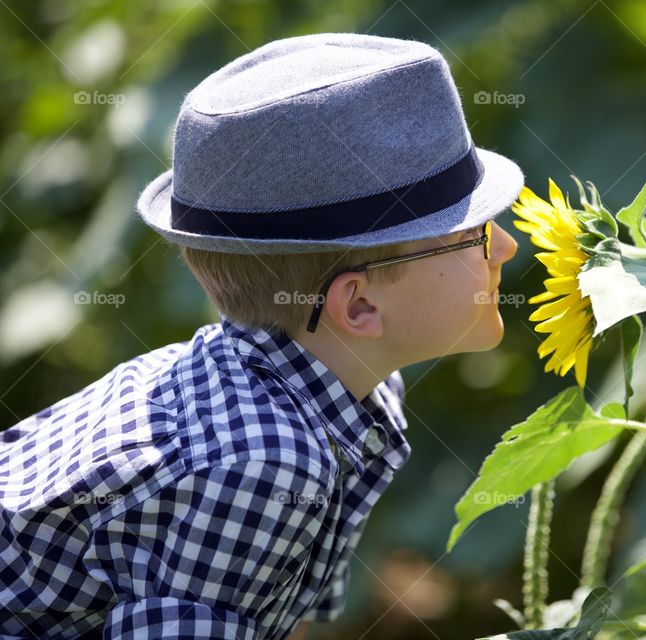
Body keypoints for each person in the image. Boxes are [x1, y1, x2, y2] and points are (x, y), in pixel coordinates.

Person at [0, 32, 522, 639]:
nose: (506, 245)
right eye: (476, 235)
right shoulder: (264, 462)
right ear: (358, 306)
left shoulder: (347, 395)